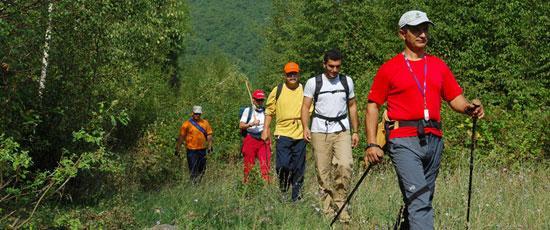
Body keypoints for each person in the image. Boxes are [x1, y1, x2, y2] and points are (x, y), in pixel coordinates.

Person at [364, 10, 485, 229]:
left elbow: (454, 98)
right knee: (419, 200)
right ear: (403, 34)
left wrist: (469, 108)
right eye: (416, 29)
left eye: (425, 29)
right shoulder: (389, 68)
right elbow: (373, 106)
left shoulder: (438, 65)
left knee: (422, 198)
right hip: (403, 140)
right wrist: (372, 144)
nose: (422, 34)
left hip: (434, 140)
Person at [301, 49, 360, 223]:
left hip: (342, 129)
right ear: (324, 64)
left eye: (338, 66)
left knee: (345, 165)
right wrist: (305, 127)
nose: (334, 70)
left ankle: (341, 204)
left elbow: (353, 106)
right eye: (331, 66)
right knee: (323, 171)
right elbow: (305, 107)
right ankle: (327, 209)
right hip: (320, 130)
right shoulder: (314, 83)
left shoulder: (346, 81)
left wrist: (356, 131)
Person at [262, 62, 309, 202]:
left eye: (294, 73)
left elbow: (309, 110)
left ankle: (296, 198)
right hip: (282, 132)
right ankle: (283, 188)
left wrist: (307, 128)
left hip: (300, 133)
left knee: (299, 167)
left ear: (298, 74)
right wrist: (266, 129)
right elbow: (269, 111)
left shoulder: (305, 90)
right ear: (285, 75)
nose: (292, 76)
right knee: (283, 165)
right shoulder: (278, 90)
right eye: (289, 74)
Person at [175, 105, 213, 184]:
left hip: (202, 150)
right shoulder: (186, 124)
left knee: (202, 169)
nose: (197, 115)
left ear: (201, 114)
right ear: (192, 113)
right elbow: (181, 137)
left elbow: (209, 135)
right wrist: (177, 148)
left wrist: (209, 146)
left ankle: (198, 183)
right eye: (196, 113)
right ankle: (194, 185)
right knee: (193, 169)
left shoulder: (205, 123)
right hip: (191, 151)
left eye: (199, 114)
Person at [240, 89, 271, 183]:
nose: (260, 102)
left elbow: (268, 127)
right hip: (250, 139)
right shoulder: (248, 111)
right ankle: (247, 186)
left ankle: (266, 188)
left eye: (262, 100)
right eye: (258, 100)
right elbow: (241, 125)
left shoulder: (266, 111)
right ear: (253, 100)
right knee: (249, 164)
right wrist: (251, 124)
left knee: (265, 164)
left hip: (263, 139)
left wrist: (270, 143)